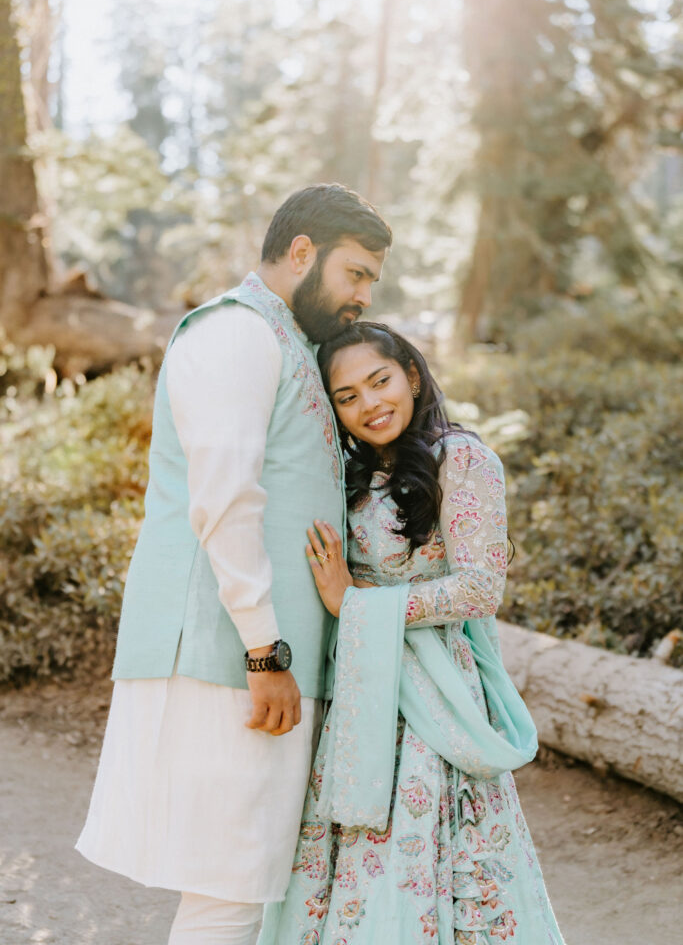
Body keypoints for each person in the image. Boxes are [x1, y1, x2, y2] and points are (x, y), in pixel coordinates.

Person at [76, 185, 393, 945]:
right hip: (229, 656)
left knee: (245, 887)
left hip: (260, 659)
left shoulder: (283, 339)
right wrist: (266, 650)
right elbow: (224, 501)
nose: (360, 298)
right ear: (301, 252)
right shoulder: (234, 334)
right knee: (230, 885)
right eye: (355, 273)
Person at [259, 322, 565, 945]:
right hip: (361, 688)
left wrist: (357, 603)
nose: (370, 404)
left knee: (427, 843)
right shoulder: (347, 472)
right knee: (353, 847)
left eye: (380, 381)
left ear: (413, 377)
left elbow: (482, 588)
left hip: (435, 691)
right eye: (347, 396)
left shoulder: (464, 459)